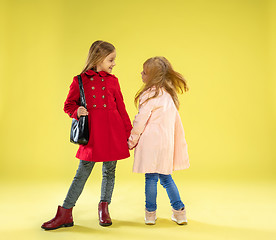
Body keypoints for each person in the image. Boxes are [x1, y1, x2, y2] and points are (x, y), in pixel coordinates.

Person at [41, 40, 132, 230]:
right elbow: (68, 105)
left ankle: (104, 207)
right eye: (111, 60)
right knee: (82, 173)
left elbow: (122, 109)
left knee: (109, 171)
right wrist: (78, 111)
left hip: (113, 132)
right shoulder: (80, 80)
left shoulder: (113, 81)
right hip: (93, 134)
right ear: (98, 59)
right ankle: (65, 211)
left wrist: (128, 133)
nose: (114, 64)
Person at [128, 56, 190, 225]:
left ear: (153, 76)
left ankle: (150, 214)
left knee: (151, 178)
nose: (141, 74)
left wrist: (132, 140)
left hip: (150, 144)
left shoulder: (149, 95)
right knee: (166, 178)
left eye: (145, 72)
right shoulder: (170, 95)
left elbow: (140, 120)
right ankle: (180, 212)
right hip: (166, 144)